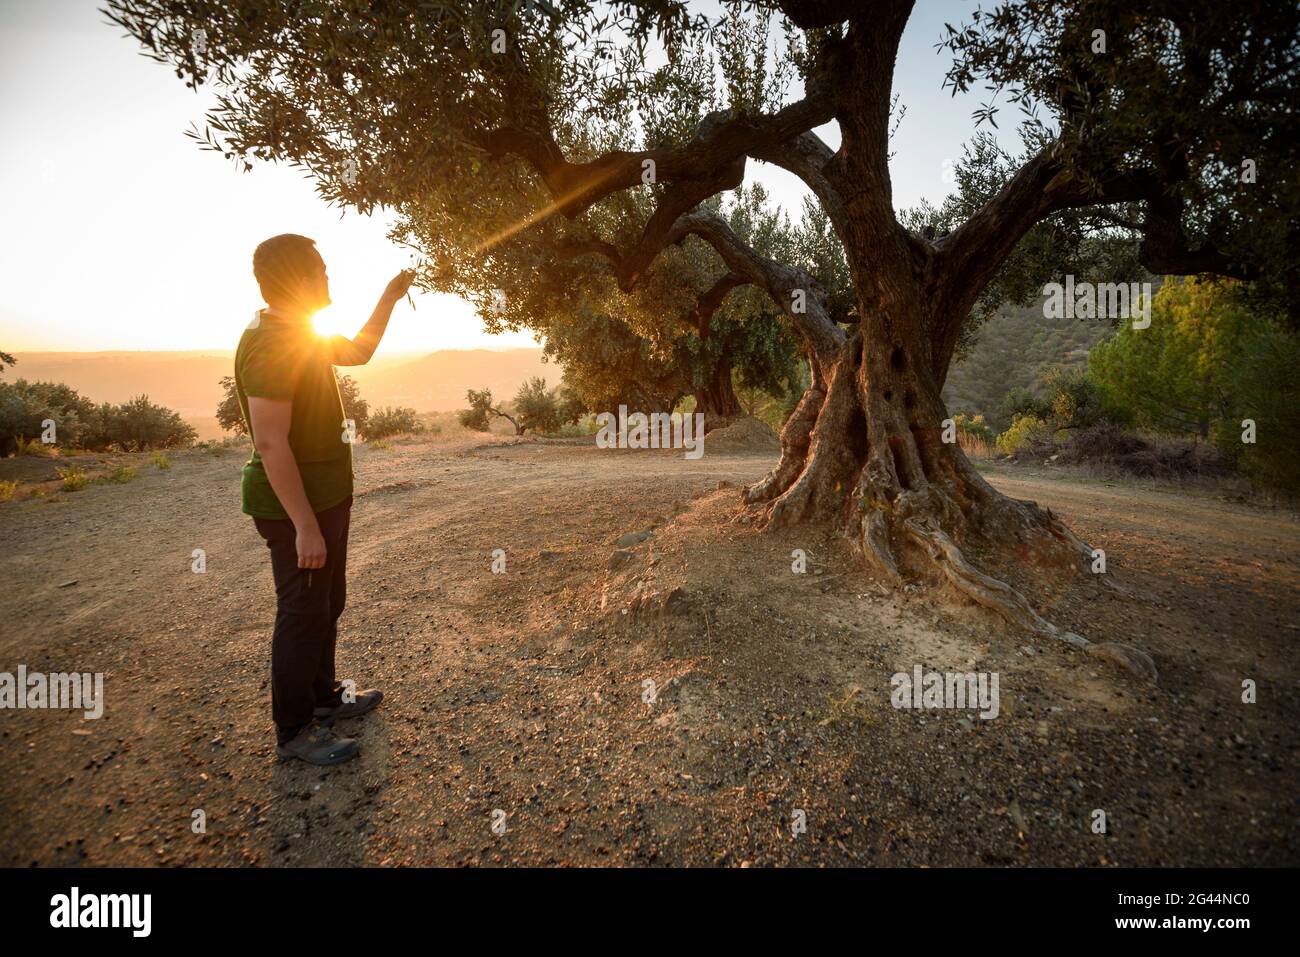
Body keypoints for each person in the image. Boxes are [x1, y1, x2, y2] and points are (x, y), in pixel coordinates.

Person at [235, 233, 413, 765]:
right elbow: (269, 441)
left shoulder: (299, 331)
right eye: (321, 270)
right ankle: (293, 732)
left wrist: (388, 297)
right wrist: (305, 526)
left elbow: (357, 352)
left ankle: (323, 700)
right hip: (296, 509)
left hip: (327, 498)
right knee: (302, 611)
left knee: (326, 604)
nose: (328, 279)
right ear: (300, 280)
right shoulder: (273, 343)